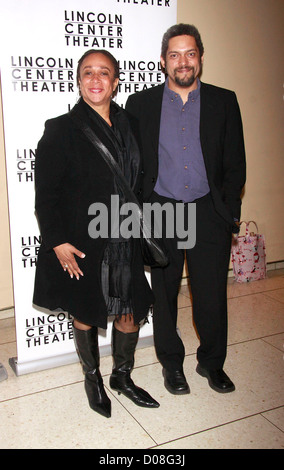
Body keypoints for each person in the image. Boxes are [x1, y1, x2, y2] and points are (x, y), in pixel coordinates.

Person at [33, 49, 160, 418]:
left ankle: (122, 375)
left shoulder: (132, 124)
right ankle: (93, 379)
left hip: (126, 237)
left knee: (131, 311)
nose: (95, 79)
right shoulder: (60, 128)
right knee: (87, 310)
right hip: (84, 241)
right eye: (87, 72)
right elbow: (47, 194)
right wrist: (57, 241)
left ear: (115, 81)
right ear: (78, 80)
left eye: (103, 72)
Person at [126, 24, 246, 395]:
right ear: (163, 61)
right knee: (163, 296)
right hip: (162, 209)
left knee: (211, 294)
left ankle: (211, 363)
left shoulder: (224, 100)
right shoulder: (140, 104)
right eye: (174, 54)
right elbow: (132, 163)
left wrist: (228, 210)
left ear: (201, 58)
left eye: (190, 53)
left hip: (208, 211)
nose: (183, 61)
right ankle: (172, 366)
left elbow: (235, 162)